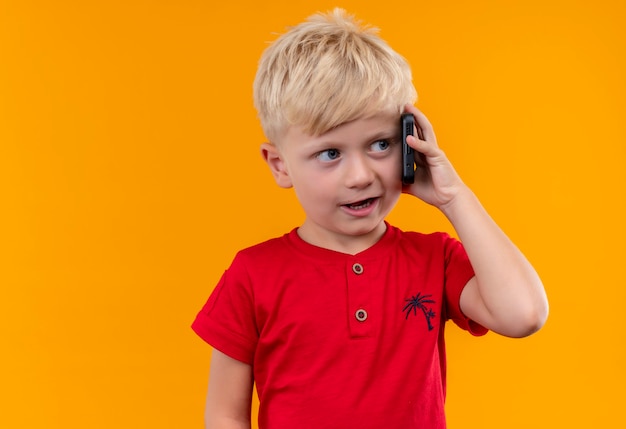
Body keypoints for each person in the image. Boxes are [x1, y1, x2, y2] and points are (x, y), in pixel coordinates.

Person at [192, 8, 548, 429]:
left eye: (380, 144)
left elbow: (523, 315)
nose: (361, 176)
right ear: (280, 165)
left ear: (409, 142)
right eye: (330, 153)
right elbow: (225, 415)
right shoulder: (252, 274)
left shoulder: (436, 259)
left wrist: (454, 197)